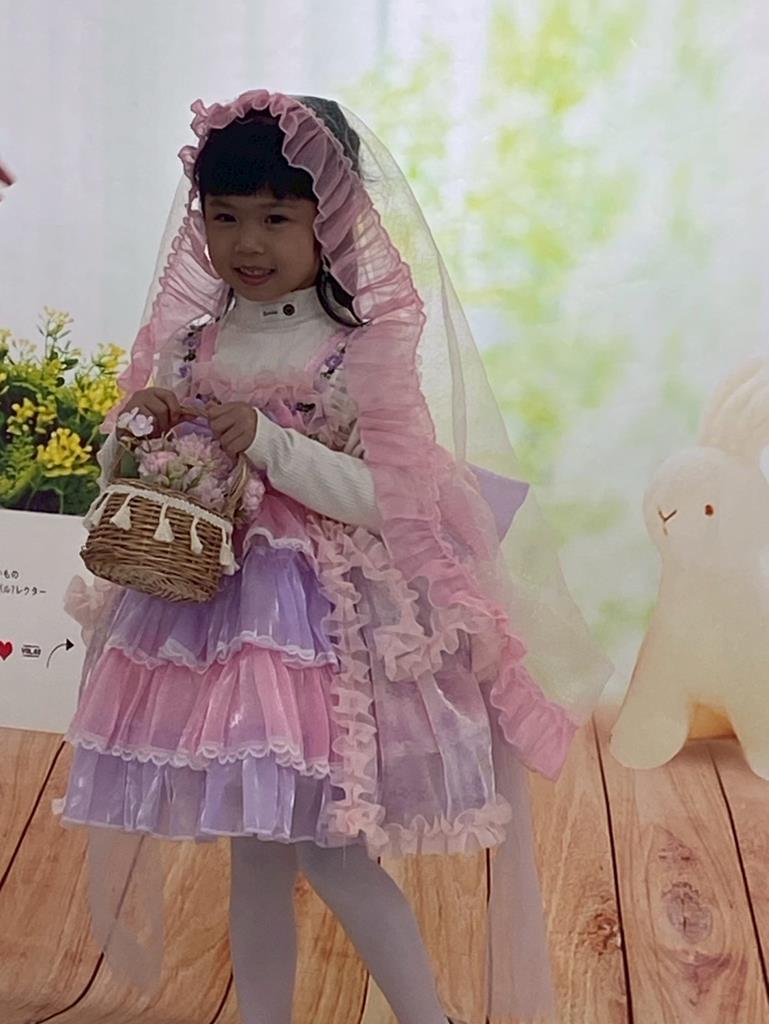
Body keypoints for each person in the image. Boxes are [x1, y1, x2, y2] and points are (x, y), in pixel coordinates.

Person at [53, 90, 612, 1024]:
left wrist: (271, 445)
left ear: (333, 217)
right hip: (210, 623)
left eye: (277, 217)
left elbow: (395, 501)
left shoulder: (356, 354)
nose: (247, 242)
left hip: (322, 635)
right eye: (224, 216)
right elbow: (133, 471)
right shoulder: (190, 346)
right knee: (254, 851)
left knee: (335, 853)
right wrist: (139, 430)